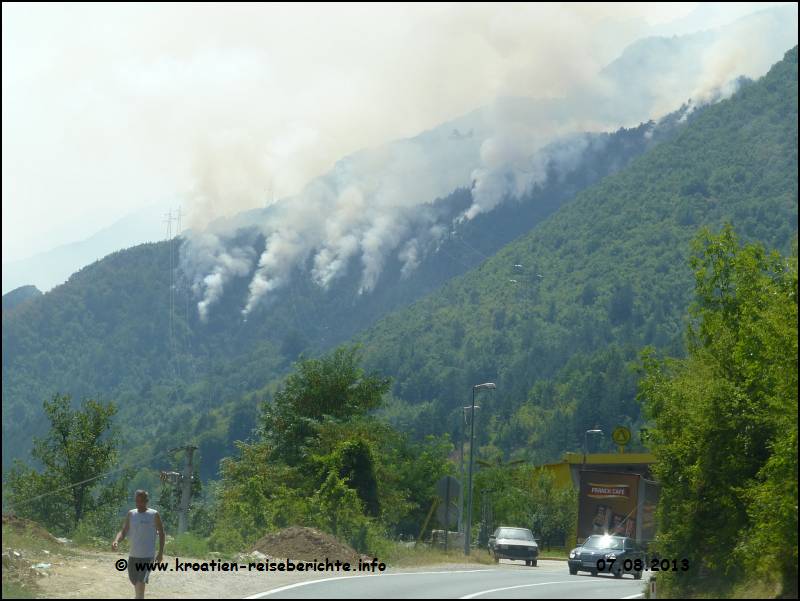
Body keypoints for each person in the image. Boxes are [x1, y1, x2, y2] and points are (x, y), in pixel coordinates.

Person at [112, 490, 165, 599]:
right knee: (134, 581)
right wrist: (116, 540)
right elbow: (124, 531)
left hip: (147, 557)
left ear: (146, 501)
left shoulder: (154, 514)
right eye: (137, 501)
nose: (139, 504)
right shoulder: (131, 514)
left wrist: (160, 553)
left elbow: (162, 533)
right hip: (133, 556)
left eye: (141, 501)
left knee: (140, 583)